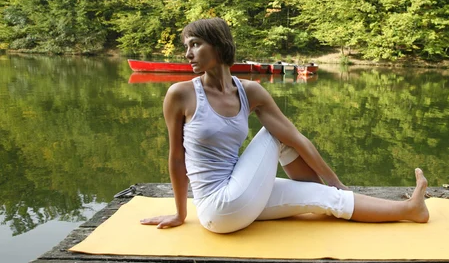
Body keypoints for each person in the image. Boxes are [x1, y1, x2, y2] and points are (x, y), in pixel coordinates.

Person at [141, 17, 429, 233]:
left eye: (195, 44)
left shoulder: (250, 92)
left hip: (239, 197)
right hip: (217, 205)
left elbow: (298, 140)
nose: (187, 54)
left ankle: (410, 209)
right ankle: (323, 186)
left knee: (327, 200)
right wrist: (179, 213)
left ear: (218, 45)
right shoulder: (181, 94)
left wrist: (336, 185)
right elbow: (177, 158)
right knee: (273, 133)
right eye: (186, 46)